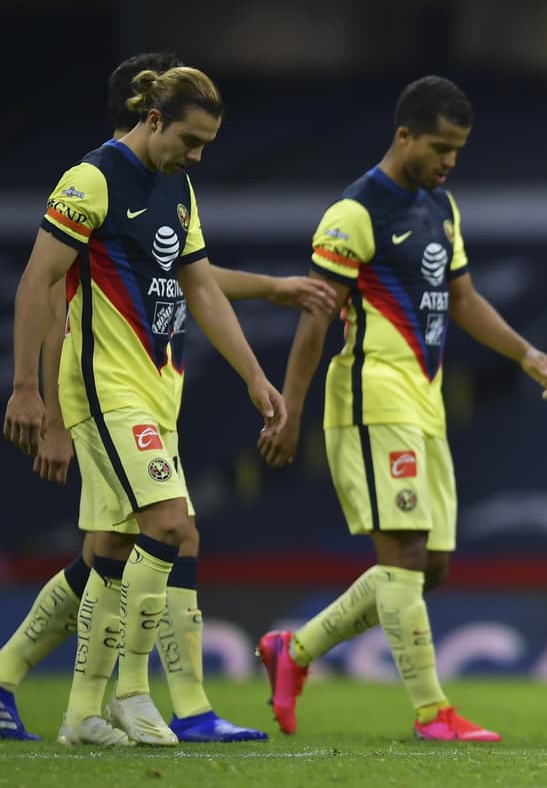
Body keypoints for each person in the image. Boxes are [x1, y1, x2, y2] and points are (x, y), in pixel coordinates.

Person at [0, 52, 334, 745]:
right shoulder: (91, 179)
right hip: (107, 388)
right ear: (152, 118)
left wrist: (251, 374)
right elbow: (40, 283)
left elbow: (201, 286)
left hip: (158, 392)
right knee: (173, 525)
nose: (198, 156)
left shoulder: (176, 189)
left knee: (112, 549)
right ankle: (132, 694)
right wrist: (30, 390)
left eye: (206, 146)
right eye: (189, 141)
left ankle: (79, 711)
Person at [255, 75, 547, 743]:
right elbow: (316, 317)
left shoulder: (440, 207)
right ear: (404, 136)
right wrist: (291, 408)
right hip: (373, 396)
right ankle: (433, 712)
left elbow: (464, 298)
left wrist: (524, 353)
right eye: (439, 146)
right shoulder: (355, 212)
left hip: (425, 402)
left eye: (457, 149)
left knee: (432, 566)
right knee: (403, 554)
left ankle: (294, 650)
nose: (449, 160)